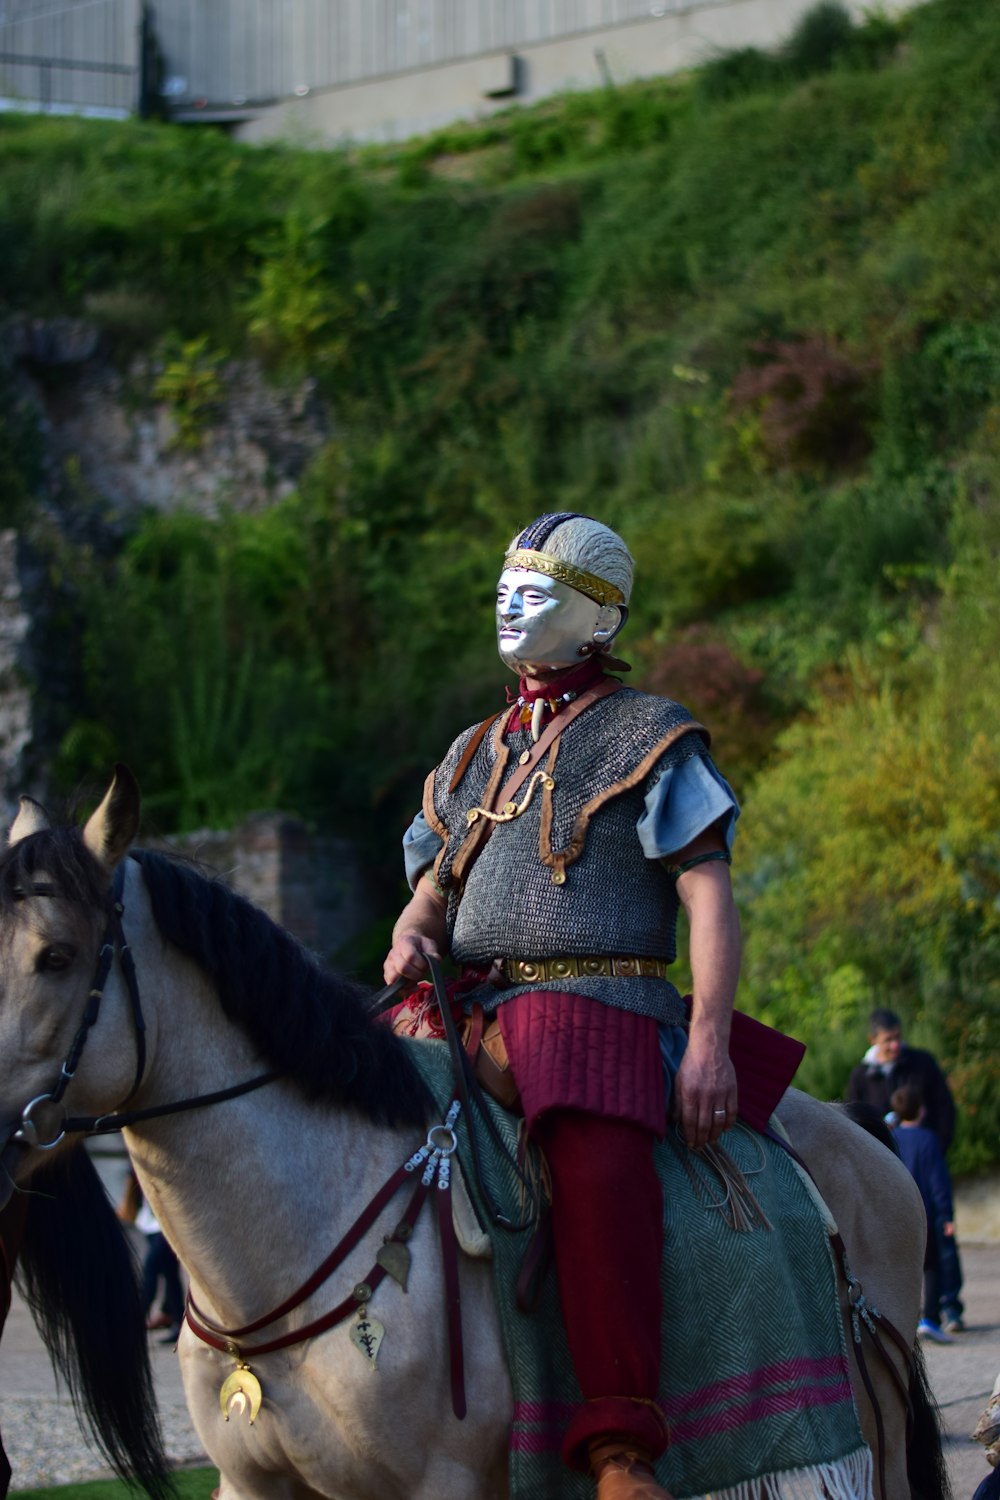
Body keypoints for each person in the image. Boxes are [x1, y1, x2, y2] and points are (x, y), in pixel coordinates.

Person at [383, 513, 741, 1500]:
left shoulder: (650, 735)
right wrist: (414, 927)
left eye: (532, 591)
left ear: (596, 616)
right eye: (502, 586)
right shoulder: (470, 752)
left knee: (593, 1163)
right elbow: (433, 887)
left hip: (598, 1005)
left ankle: (621, 1447)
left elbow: (707, 896)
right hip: (466, 1002)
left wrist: (708, 1043)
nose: (507, 604)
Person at [846, 1006, 964, 1330]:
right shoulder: (861, 1076)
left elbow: (944, 1108)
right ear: (873, 1040)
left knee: (941, 1237)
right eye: (888, 1040)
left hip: (924, 1165)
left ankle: (950, 1306)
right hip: (882, 1173)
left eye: (898, 1038)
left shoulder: (921, 1064)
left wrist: (933, 1148)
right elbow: (853, 1123)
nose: (895, 1045)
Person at [890, 1084, 958, 1345]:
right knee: (931, 1268)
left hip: (895, 1213)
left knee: (899, 1268)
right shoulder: (928, 1139)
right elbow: (937, 1181)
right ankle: (929, 1319)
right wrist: (947, 1215)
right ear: (921, 1110)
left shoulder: (891, 1138)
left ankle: (902, 1320)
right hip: (924, 1214)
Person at [118, 1170, 184, 1344]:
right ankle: (178, 1321)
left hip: (169, 1221)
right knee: (170, 1274)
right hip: (150, 1222)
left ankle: (134, 1323)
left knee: (151, 1267)